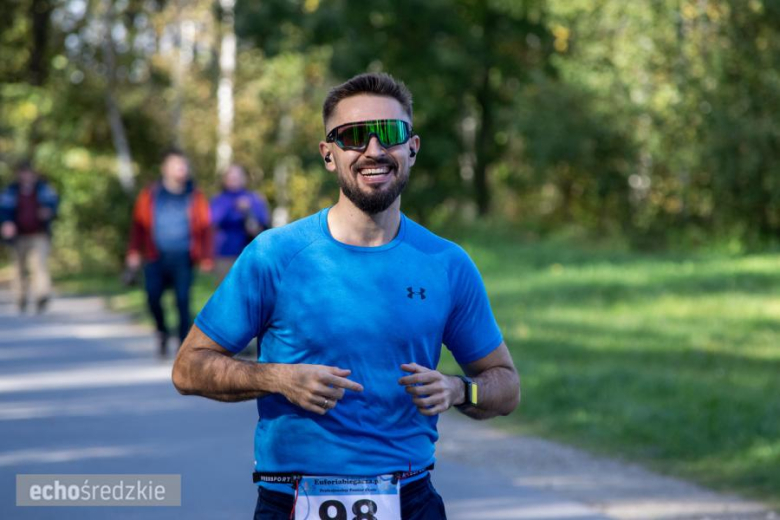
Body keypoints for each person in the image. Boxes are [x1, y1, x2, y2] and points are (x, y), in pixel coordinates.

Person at [172, 73, 520, 520]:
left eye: (389, 135)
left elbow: (505, 386)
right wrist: (278, 378)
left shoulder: (446, 264)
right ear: (328, 156)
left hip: (411, 497)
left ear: (411, 148)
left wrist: (458, 389)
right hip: (292, 497)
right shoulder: (274, 256)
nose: (373, 150)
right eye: (353, 137)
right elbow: (188, 368)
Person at [126, 148, 213, 357]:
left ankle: (183, 346)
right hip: (155, 256)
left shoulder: (195, 195)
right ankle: (162, 331)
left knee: (182, 300)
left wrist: (206, 256)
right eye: (176, 165)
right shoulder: (151, 194)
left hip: (183, 257)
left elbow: (205, 227)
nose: (181, 169)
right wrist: (133, 252)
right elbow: (138, 225)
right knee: (153, 297)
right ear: (165, 168)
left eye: (184, 165)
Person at [0, 160, 59, 314]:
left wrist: (49, 211)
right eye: (23, 172)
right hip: (19, 235)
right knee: (19, 268)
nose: (26, 175)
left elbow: (54, 202)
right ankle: (21, 298)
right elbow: (4, 209)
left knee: (40, 266)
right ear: (19, 174)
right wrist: (6, 223)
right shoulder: (12, 190)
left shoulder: (43, 188)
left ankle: (42, 296)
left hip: (39, 233)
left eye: (29, 172)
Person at [210, 163, 270, 281]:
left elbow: (264, 223)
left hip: (250, 254)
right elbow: (213, 220)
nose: (233, 179)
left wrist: (249, 212)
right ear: (224, 179)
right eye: (230, 176)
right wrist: (233, 208)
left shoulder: (254, 198)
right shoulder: (219, 200)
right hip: (225, 254)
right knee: (226, 295)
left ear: (245, 178)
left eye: (237, 175)